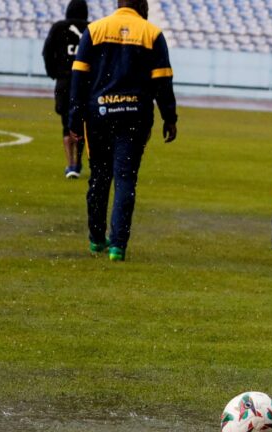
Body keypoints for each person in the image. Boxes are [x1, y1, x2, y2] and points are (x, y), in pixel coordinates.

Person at [68, 0, 177, 262]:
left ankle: (96, 239)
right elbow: (163, 81)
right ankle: (117, 246)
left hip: (99, 116)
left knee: (99, 177)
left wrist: (74, 118)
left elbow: (79, 78)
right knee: (126, 179)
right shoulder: (152, 33)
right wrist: (169, 117)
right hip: (135, 118)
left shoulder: (95, 30)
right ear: (141, 5)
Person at [42, 0, 89, 179]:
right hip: (86, 83)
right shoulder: (92, 29)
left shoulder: (58, 28)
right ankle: (78, 164)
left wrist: (54, 73)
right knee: (83, 123)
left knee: (65, 124)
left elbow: (47, 52)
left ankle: (70, 165)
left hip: (65, 82)